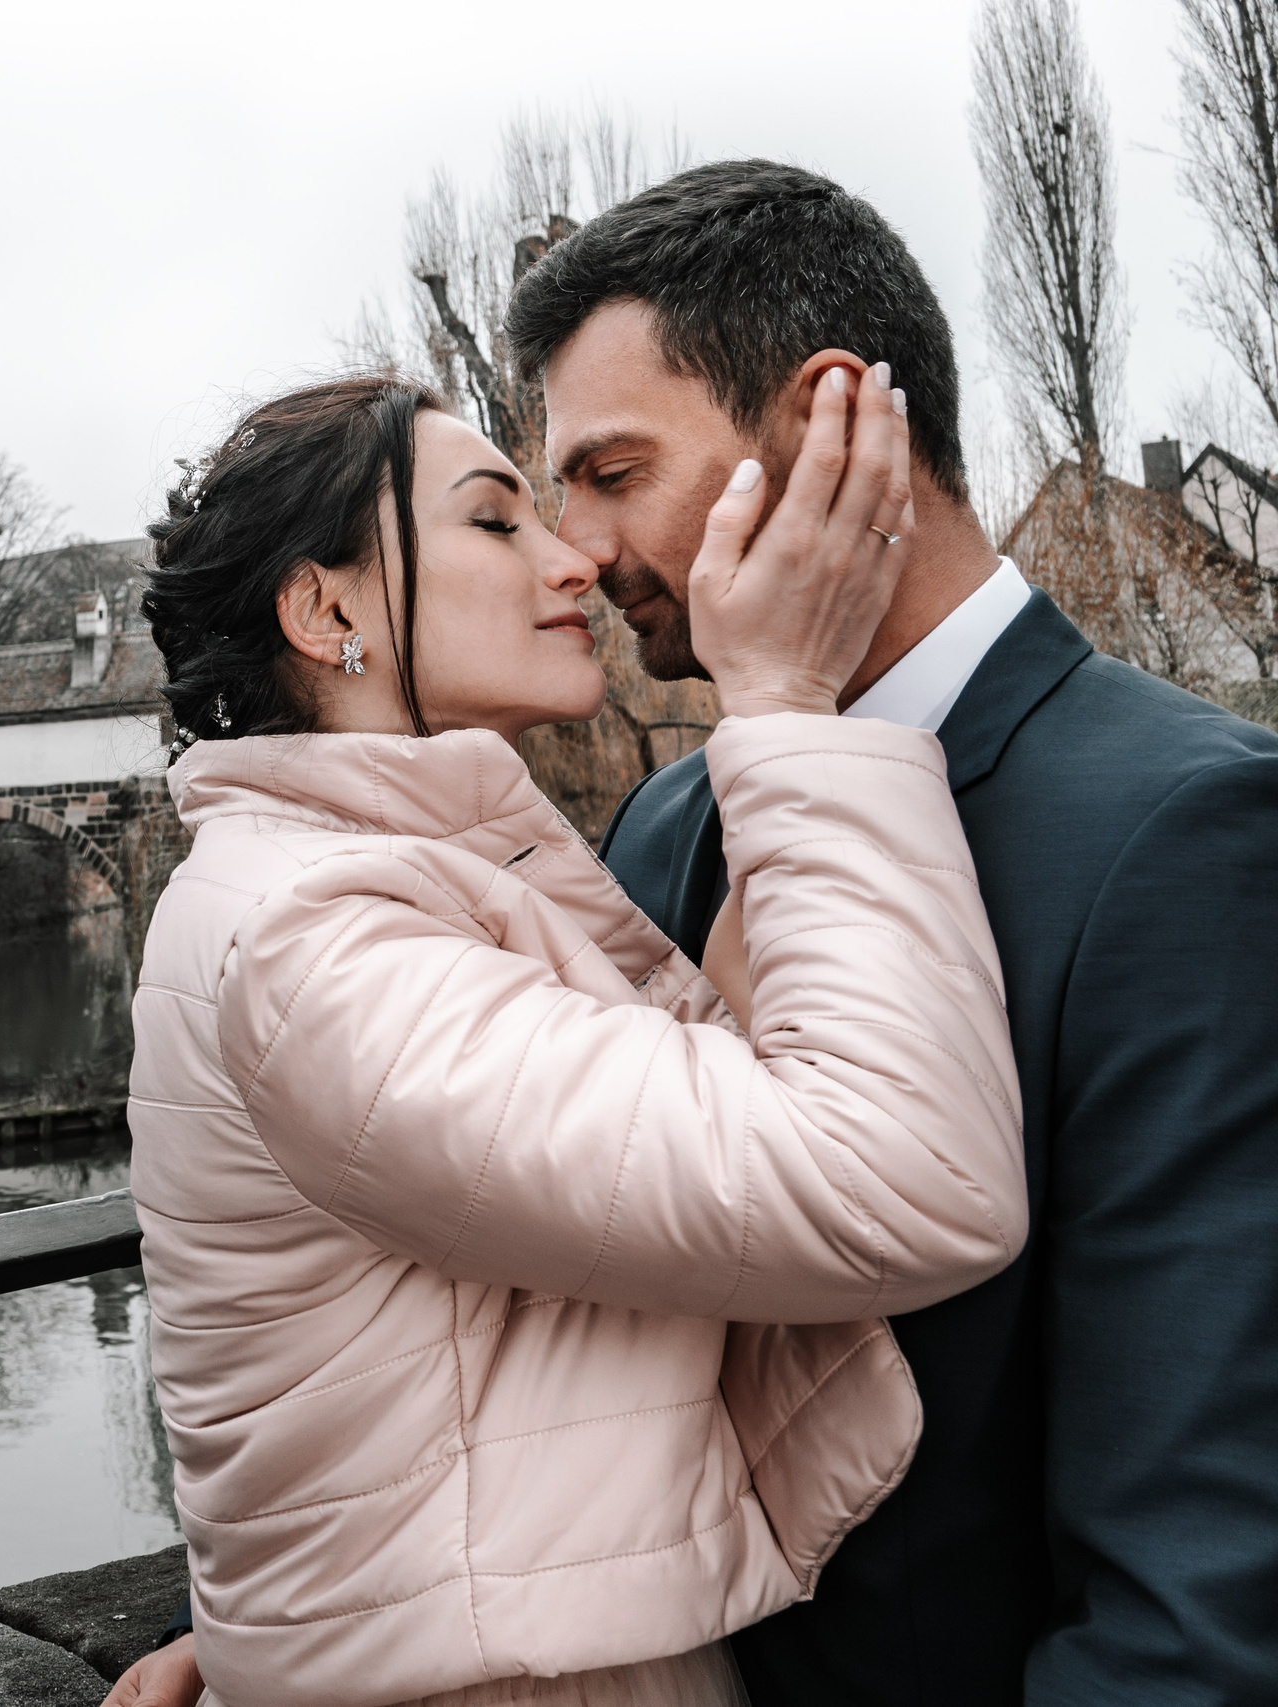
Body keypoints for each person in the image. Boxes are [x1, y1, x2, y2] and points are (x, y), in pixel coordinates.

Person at [118, 159, 1278, 1707]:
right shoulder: (663, 830)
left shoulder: (1188, 831)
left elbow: (1196, 1581)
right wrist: (341, 1605)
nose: (577, 556)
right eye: (529, 503)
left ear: (816, 429)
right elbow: (560, 1287)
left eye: (606, 474)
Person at [114, 355, 1025, 1707]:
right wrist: (781, 708)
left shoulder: (385, 878)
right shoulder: (317, 937)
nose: (574, 563)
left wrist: (298, 1614)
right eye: (496, 521)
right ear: (324, 610)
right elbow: (902, 1179)